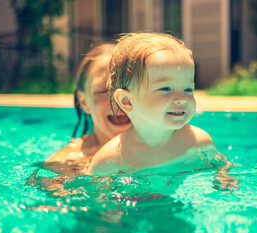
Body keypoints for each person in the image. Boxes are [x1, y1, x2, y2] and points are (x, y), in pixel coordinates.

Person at [88, 33, 220, 175]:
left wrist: (224, 177)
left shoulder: (199, 142)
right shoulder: (111, 159)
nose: (182, 98)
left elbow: (220, 165)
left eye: (188, 89)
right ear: (127, 101)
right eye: (165, 89)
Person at [44, 43, 131, 176]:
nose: (119, 101)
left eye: (128, 88)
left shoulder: (170, 146)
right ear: (84, 102)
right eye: (104, 90)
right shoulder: (63, 164)